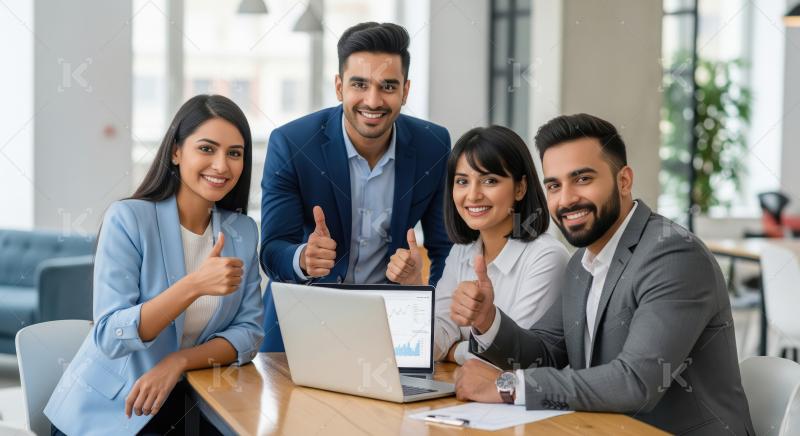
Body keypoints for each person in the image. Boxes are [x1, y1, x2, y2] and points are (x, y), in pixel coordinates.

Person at [451, 114, 754, 435]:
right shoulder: (582, 261)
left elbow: (636, 382)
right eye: (554, 185)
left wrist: (507, 386)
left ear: (624, 181)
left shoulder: (674, 255)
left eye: (582, 179)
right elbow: (544, 353)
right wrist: (486, 320)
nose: (566, 199)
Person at [45, 95, 265, 435]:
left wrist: (176, 363)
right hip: (112, 411)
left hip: (193, 402)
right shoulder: (130, 219)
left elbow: (248, 334)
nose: (222, 165)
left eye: (234, 153)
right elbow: (110, 335)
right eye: (207, 149)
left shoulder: (243, 232)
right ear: (176, 152)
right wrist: (194, 285)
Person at [259, 22, 452, 351]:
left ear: (405, 91)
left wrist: (429, 308)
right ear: (339, 87)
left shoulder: (433, 144)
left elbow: (445, 247)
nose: (373, 101)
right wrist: (303, 258)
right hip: (301, 323)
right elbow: (273, 249)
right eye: (359, 84)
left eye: (387, 86)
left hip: (391, 328)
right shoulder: (291, 144)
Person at [386, 126, 568, 364]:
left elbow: (518, 356)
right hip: (464, 390)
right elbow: (428, 343)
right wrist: (412, 286)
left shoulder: (547, 258)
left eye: (489, 180)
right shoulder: (462, 251)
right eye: (462, 181)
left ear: (520, 188)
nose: (472, 195)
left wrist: (455, 352)